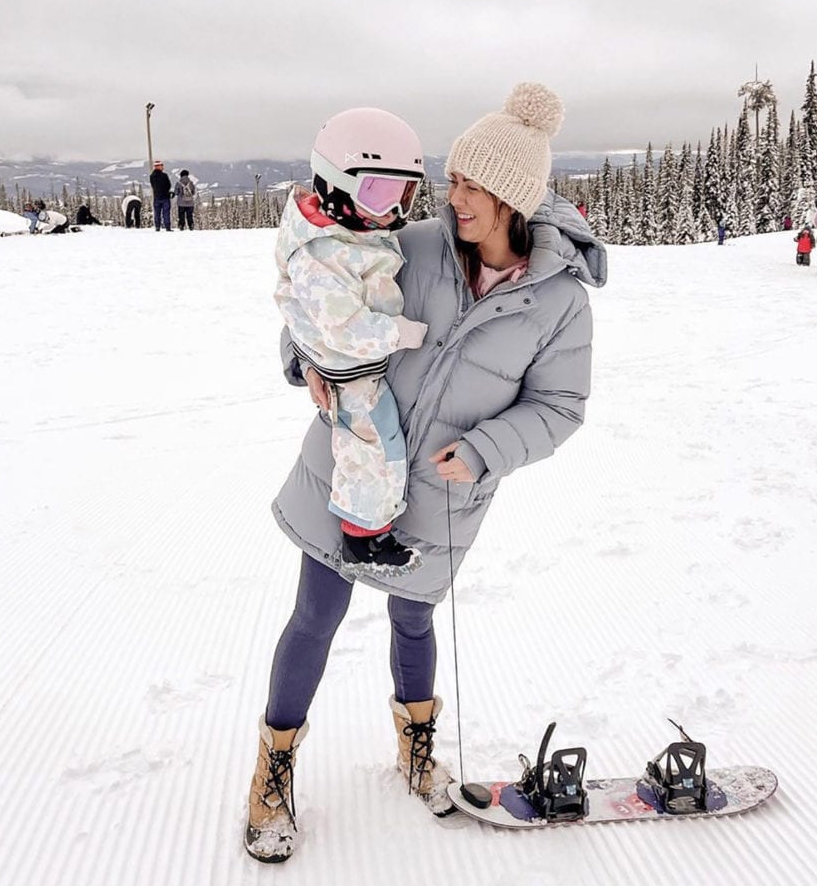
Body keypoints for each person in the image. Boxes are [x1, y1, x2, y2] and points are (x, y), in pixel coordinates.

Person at [244, 83, 605, 864]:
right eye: (454, 180)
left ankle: (415, 747)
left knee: (413, 620)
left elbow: (562, 406)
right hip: (347, 470)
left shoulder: (560, 307)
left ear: (510, 198)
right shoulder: (418, 246)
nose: (453, 195)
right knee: (316, 614)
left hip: (443, 491)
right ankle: (273, 770)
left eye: (472, 186)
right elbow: (319, 301)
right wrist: (301, 357)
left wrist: (483, 451)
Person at [274, 108, 429, 576]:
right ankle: (363, 538)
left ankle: (368, 530)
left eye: (405, 194)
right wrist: (401, 332)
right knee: (373, 446)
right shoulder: (322, 251)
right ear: (334, 182)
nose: (394, 213)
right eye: (379, 194)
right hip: (350, 365)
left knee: (371, 442)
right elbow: (345, 327)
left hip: (344, 363)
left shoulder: (347, 233)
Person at [150, 161, 172, 231]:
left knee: (157, 213)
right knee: (166, 213)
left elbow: (153, 186)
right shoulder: (164, 175)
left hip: (156, 197)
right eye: (161, 165)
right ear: (158, 166)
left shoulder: (152, 176)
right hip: (165, 197)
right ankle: (167, 227)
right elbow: (168, 185)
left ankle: (157, 227)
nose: (162, 167)